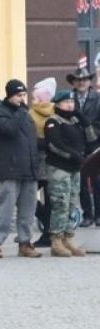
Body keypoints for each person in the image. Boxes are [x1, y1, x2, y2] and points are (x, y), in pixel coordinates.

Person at [0, 80, 41, 260]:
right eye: (18, 95)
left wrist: (36, 166)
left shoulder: (26, 114)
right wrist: (20, 111)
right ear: (9, 95)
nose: (22, 99)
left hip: (28, 169)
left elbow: (32, 142)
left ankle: (25, 242)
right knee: (5, 209)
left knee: (28, 210)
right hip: (9, 168)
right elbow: (10, 130)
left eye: (24, 95)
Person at [45, 90, 88, 258]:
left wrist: (81, 116)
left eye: (72, 102)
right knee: (60, 203)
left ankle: (68, 238)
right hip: (59, 168)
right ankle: (56, 240)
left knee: (72, 203)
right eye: (66, 102)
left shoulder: (75, 121)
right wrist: (72, 155)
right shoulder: (53, 121)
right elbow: (54, 145)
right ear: (57, 104)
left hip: (74, 169)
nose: (70, 105)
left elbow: (90, 135)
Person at [30, 78, 58, 246]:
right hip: (46, 162)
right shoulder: (56, 112)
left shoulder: (31, 114)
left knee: (46, 199)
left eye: (35, 97)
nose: (33, 101)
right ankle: (48, 228)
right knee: (33, 197)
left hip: (42, 161)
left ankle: (48, 232)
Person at [71, 66, 100, 227]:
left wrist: (92, 132)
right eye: (78, 80)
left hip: (95, 144)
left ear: (89, 81)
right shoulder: (69, 98)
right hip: (77, 145)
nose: (81, 82)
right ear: (73, 82)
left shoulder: (98, 98)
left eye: (84, 79)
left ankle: (99, 215)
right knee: (80, 181)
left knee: (98, 181)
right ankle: (87, 214)